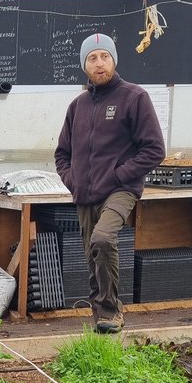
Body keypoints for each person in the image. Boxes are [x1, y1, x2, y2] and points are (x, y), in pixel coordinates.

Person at [55, 33, 165, 334]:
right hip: (85, 193)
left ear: (114, 60)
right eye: (92, 58)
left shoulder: (134, 97)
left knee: (102, 238)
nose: (99, 63)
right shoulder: (77, 107)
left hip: (121, 189)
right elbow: (62, 153)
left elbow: (155, 149)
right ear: (84, 66)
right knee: (93, 253)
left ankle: (111, 311)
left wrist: (120, 175)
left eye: (104, 56)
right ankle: (102, 319)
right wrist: (72, 180)